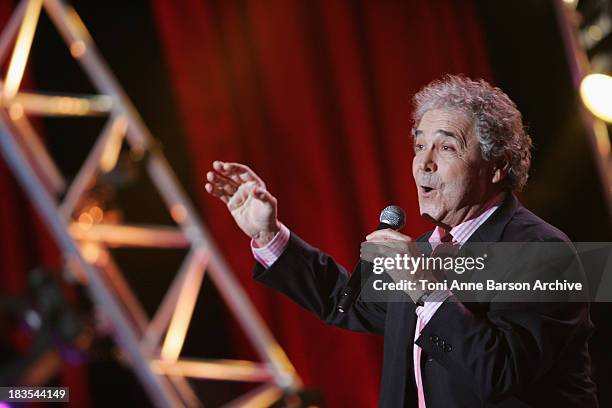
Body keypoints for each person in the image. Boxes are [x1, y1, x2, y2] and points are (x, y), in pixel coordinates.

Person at [204, 75, 598, 407]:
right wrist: (268, 234)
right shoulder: (428, 250)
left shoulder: (544, 253)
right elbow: (345, 302)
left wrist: (425, 286)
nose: (424, 163)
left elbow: (501, 373)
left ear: (497, 167)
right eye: (419, 145)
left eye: (446, 147)